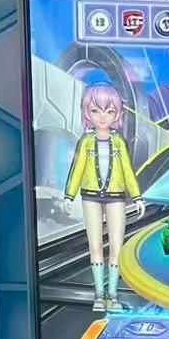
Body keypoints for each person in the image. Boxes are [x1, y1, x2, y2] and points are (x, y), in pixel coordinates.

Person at [64, 80, 143, 312]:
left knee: (117, 246)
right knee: (96, 245)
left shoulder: (119, 142)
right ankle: (99, 295)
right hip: (90, 196)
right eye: (95, 110)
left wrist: (137, 196)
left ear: (117, 114)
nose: (102, 116)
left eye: (109, 111)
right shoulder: (86, 141)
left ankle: (113, 294)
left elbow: (127, 171)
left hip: (117, 196)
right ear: (87, 112)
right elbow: (77, 169)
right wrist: (69, 195)